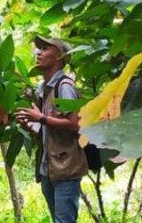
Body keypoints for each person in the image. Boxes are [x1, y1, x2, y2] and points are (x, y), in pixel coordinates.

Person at [15, 35, 88, 223]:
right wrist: (32, 124)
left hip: (66, 168)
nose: (39, 52)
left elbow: (76, 124)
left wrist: (42, 118)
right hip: (49, 168)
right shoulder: (45, 89)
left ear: (59, 57)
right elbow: (49, 131)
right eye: (39, 48)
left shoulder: (64, 86)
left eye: (46, 49)